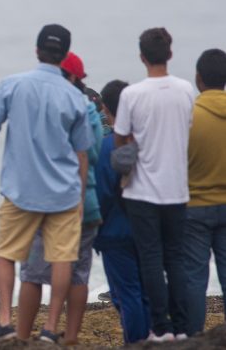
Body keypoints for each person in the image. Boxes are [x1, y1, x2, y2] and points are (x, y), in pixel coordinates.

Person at [0, 24, 94, 344]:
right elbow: (82, 153)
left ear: (37, 50)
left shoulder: (13, 84)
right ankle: (50, 327)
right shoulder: (74, 96)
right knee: (62, 258)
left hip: (21, 191)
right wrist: (81, 197)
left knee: (6, 254)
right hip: (64, 192)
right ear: (64, 56)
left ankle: (4, 320)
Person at [113, 27, 194, 342]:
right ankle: (183, 326)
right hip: (177, 188)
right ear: (170, 54)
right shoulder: (186, 90)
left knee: (150, 258)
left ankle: (160, 328)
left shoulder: (132, 94)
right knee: (175, 257)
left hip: (141, 191)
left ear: (142, 57)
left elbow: (120, 138)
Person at [17, 51, 103, 346]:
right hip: (87, 201)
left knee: (32, 272)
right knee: (79, 273)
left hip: (49, 201)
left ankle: (23, 335)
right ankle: (71, 337)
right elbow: (92, 155)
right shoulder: (91, 111)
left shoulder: (47, 107)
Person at [94, 79, 151, 343]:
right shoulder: (148, 141)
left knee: (124, 293)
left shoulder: (106, 146)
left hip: (115, 230)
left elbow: (103, 193)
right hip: (148, 226)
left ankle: (135, 342)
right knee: (146, 291)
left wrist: (96, 226)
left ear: (105, 108)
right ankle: (150, 337)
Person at [184, 48, 226, 336]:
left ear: (198, 79)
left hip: (195, 206)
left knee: (194, 279)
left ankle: (195, 336)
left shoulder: (189, 116)